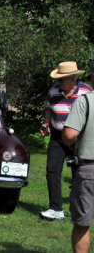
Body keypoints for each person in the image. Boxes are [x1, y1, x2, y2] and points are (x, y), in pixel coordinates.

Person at [39, 61, 92, 221]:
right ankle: (56, 209)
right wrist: (46, 123)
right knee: (52, 171)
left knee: (79, 173)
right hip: (57, 136)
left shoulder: (86, 91)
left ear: (72, 78)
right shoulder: (54, 91)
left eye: (61, 79)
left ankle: (79, 208)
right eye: (58, 79)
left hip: (78, 138)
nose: (58, 82)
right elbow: (49, 108)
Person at [63, 91, 94, 252]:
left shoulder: (85, 101)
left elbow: (69, 134)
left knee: (82, 224)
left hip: (90, 168)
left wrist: (74, 145)